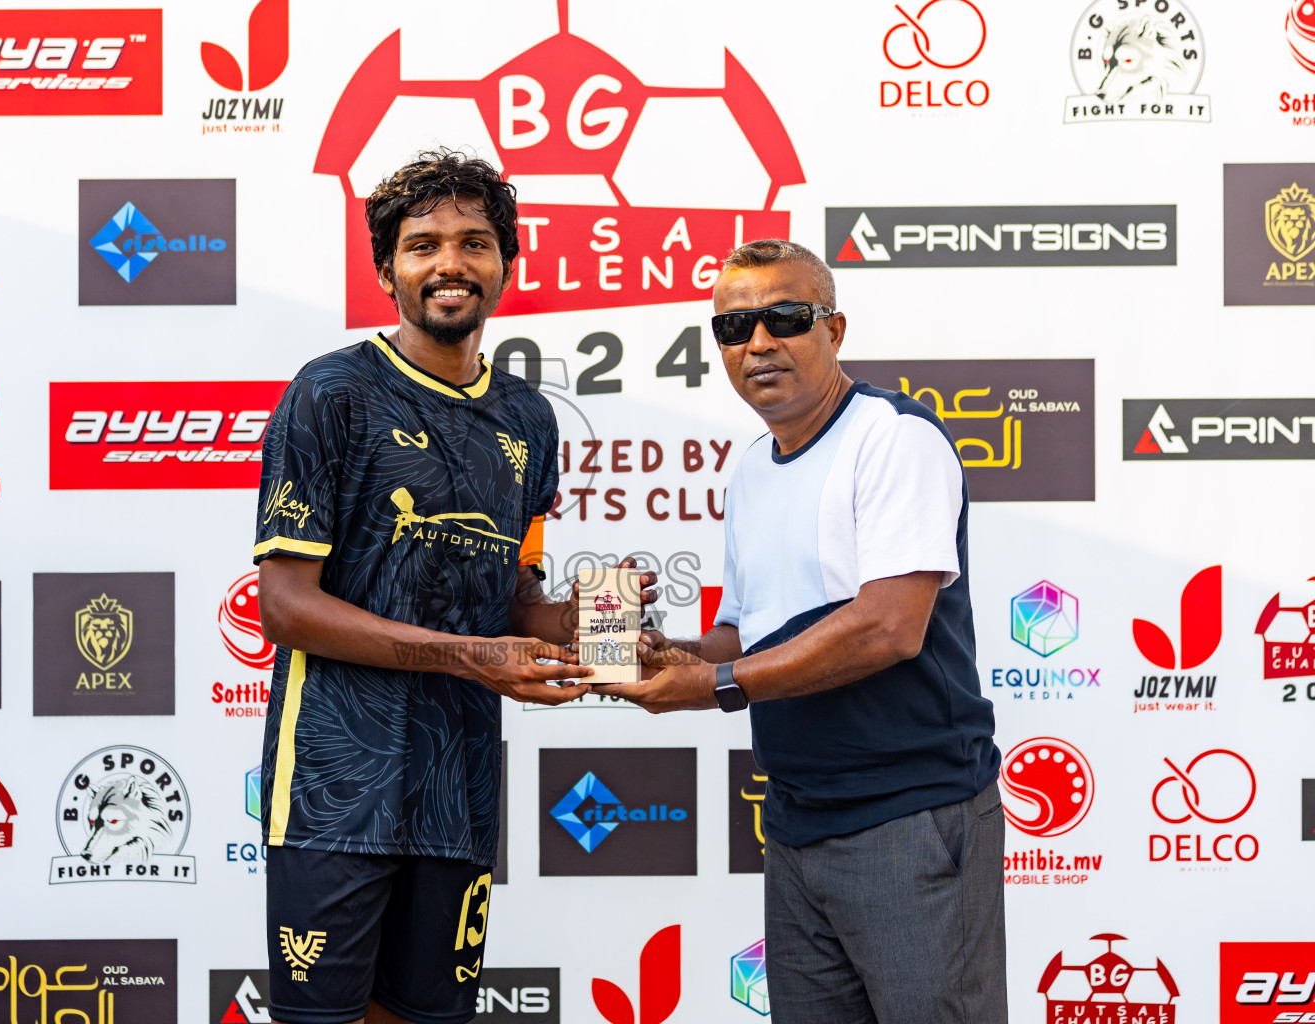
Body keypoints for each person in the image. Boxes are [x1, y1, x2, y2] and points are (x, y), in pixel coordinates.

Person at [251, 149, 654, 1024]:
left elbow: (511, 597)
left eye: (474, 242)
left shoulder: (527, 417)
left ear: (506, 264)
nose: (449, 264)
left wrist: (586, 627)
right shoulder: (332, 393)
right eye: (423, 243)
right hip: (334, 787)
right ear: (386, 266)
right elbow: (284, 607)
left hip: (458, 787)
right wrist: (473, 655)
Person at [599, 239, 1005, 1023]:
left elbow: (889, 627)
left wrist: (712, 686)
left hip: (909, 817)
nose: (758, 343)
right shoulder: (753, 468)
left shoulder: (894, 437)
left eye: (785, 317)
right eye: (734, 327)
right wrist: (652, 652)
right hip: (794, 825)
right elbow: (740, 640)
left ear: (835, 331)